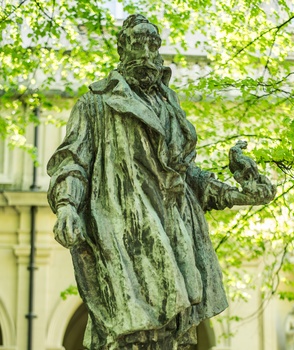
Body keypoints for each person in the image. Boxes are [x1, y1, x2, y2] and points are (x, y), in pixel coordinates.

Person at [47, 14, 276, 350]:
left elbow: (186, 174)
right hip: (127, 233)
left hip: (177, 233)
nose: (147, 50)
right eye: (138, 41)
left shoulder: (170, 105)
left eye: (153, 42)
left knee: (177, 335)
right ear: (122, 46)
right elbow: (73, 161)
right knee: (133, 334)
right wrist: (67, 204)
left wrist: (234, 194)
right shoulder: (96, 103)